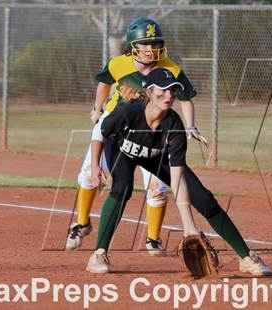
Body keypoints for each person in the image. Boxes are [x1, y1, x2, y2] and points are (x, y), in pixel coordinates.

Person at [85, 67, 272, 277]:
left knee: (204, 198)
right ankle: (98, 254)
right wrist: (95, 166)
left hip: (156, 156)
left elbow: (178, 181)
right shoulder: (129, 111)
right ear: (149, 92)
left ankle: (246, 257)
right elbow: (100, 132)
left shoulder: (174, 126)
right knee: (122, 187)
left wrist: (189, 227)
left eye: (173, 91)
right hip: (120, 148)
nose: (169, 96)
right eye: (163, 91)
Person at [66, 18, 207, 255]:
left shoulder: (169, 68)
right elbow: (104, 82)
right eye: (146, 43)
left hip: (150, 129)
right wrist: (97, 108)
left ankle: (153, 239)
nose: (152, 48)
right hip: (116, 123)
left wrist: (191, 126)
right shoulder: (119, 63)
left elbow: (185, 99)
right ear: (133, 45)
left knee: (158, 185)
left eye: (155, 42)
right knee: (90, 173)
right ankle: (82, 224)